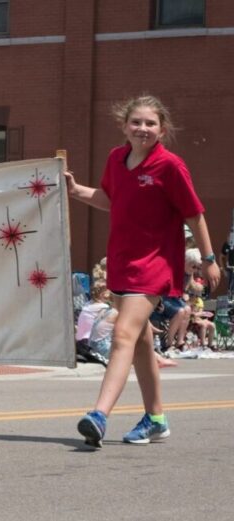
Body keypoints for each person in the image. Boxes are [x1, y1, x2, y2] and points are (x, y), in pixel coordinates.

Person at [65, 94, 220, 447]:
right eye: (136, 122)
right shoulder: (116, 159)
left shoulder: (170, 166)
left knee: (123, 335)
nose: (143, 129)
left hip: (154, 264)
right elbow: (109, 199)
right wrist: (76, 192)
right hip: (121, 261)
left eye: (151, 123)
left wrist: (209, 260)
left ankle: (99, 414)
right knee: (141, 344)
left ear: (162, 130)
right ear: (124, 126)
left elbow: (194, 213)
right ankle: (156, 418)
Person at [222, 226, 234, 301]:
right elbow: (221, 257)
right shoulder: (228, 244)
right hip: (231, 269)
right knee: (231, 289)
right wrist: (224, 270)